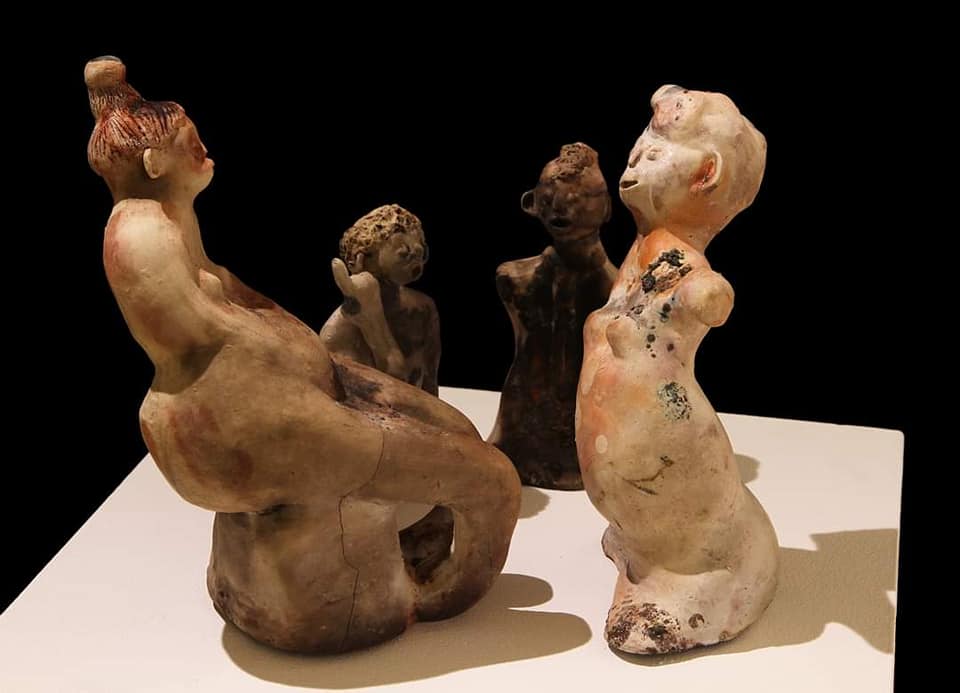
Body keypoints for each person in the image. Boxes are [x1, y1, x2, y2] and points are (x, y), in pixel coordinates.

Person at [85, 56, 519, 654]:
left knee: (457, 428)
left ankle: (413, 559)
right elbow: (195, 333)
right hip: (240, 425)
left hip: (279, 397)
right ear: (155, 164)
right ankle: (434, 596)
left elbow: (234, 309)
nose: (205, 150)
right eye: (191, 143)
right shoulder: (140, 234)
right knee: (492, 479)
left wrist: (308, 359)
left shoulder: (168, 219)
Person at [576, 85, 778, 653]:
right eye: (636, 152)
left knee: (687, 534)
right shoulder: (643, 252)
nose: (632, 166)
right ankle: (642, 546)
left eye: (653, 155)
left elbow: (706, 297)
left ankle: (692, 574)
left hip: (672, 468)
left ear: (705, 175)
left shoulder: (684, 269)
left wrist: (699, 297)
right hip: (640, 482)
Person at [488, 143, 617, 489]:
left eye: (579, 197)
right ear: (531, 203)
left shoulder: (618, 291)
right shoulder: (513, 279)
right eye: (550, 197)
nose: (561, 206)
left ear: (606, 208)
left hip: (594, 443)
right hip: (521, 440)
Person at [321, 205, 440, 395]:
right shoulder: (340, 330)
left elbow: (430, 380)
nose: (416, 259)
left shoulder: (424, 308)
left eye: (420, 253)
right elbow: (356, 398)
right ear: (361, 258)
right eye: (404, 254)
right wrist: (372, 318)